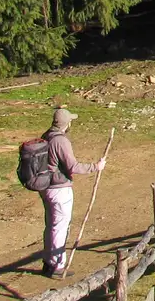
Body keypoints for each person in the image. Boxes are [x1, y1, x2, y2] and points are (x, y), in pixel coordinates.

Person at [39, 108, 106, 276]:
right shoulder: (60, 141)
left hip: (46, 187)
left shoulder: (46, 136)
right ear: (66, 123)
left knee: (51, 225)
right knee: (60, 227)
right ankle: (57, 265)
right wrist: (95, 167)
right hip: (59, 189)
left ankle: (48, 262)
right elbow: (72, 166)